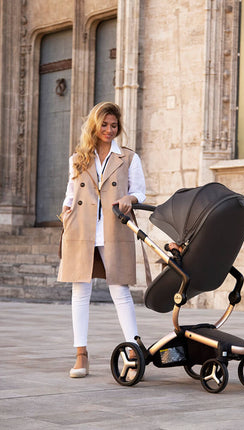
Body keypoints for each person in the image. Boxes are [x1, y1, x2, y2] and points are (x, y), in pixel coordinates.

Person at [57, 102, 146, 378]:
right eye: (105, 124)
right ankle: (81, 355)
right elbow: (70, 194)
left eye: (114, 125)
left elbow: (140, 192)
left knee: (119, 290)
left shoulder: (129, 158)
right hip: (81, 230)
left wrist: (129, 199)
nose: (109, 130)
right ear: (95, 125)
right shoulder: (78, 158)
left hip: (113, 228)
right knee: (80, 291)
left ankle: (133, 351)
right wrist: (65, 213)